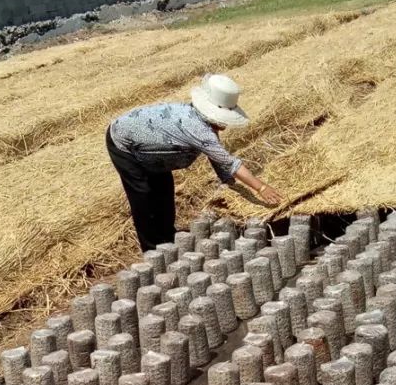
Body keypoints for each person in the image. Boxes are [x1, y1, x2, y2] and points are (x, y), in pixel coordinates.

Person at [107, 73, 283, 253]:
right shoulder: (197, 128)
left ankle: (168, 237)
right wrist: (260, 187)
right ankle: (152, 250)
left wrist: (227, 180)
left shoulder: (203, 123)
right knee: (143, 195)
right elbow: (229, 162)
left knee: (164, 191)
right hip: (124, 143)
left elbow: (215, 156)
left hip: (154, 153)